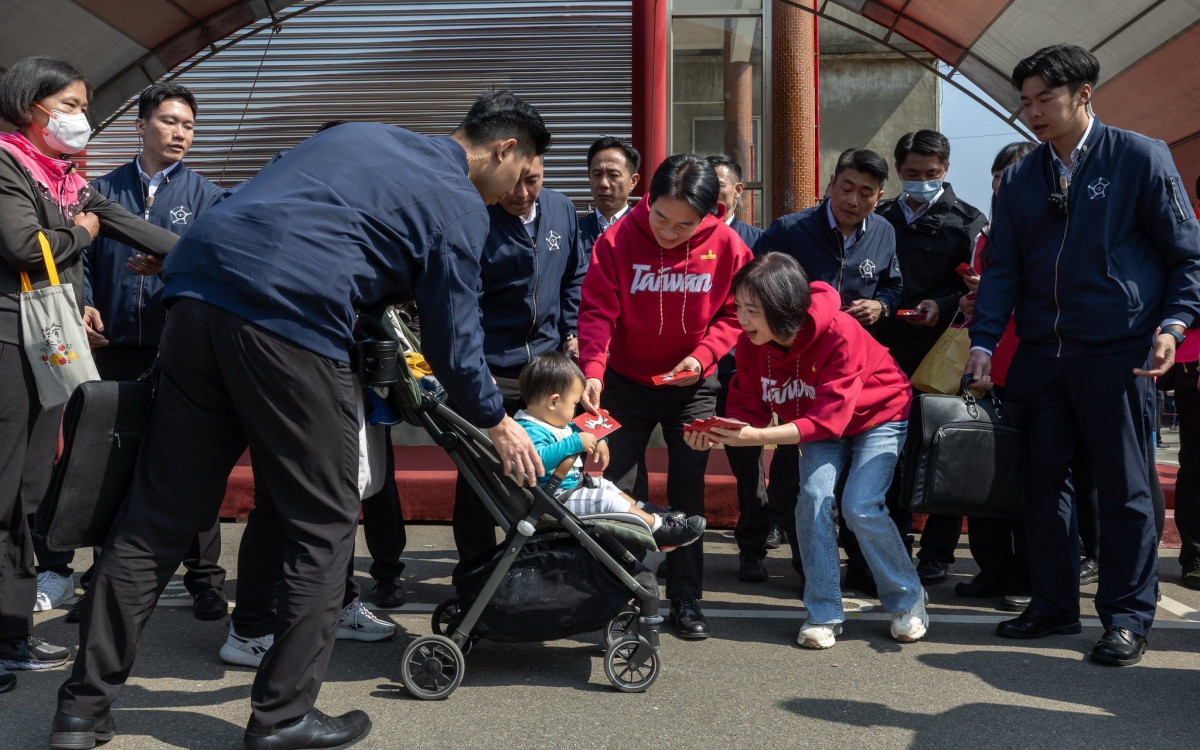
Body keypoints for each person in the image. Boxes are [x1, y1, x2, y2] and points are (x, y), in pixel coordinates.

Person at [51, 91, 550, 749]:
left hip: (197, 299)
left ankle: (81, 710)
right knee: (322, 521)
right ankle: (282, 717)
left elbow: (256, 203)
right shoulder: (459, 203)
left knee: (158, 512)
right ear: (503, 148)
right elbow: (455, 340)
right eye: (521, 175)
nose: (514, 193)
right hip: (292, 324)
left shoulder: (358, 133)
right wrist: (494, 419)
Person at [965, 44, 1200, 667]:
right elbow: (1003, 268)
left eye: (1045, 99)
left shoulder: (1140, 157)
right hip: (1042, 355)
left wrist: (1174, 325)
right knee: (1041, 488)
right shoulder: (1022, 178)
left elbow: (1187, 255)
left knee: (1125, 490)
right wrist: (984, 342)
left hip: (1118, 351)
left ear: (1083, 95)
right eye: (1026, 102)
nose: (1033, 112)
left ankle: (1126, 617)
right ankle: (1053, 605)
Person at [0, 56, 179, 696]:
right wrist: (81, 233)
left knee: (26, 493)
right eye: (71, 106)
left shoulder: (68, 180)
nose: (82, 119)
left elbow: (142, 231)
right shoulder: (8, 167)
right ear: (33, 108)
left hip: (46, 346)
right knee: (4, 490)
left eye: (84, 107)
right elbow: (24, 247)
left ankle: (11, 632)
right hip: (10, 343)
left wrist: (217, 256)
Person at [684, 252, 927, 649]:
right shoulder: (752, 343)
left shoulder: (839, 332)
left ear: (783, 308)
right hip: (817, 422)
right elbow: (748, 404)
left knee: (861, 505)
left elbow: (829, 419)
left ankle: (908, 600)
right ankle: (824, 612)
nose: (742, 320)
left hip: (879, 415)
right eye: (739, 307)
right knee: (812, 499)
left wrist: (754, 436)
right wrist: (718, 432)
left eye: (752, 310)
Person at [54, 83, 228, 625]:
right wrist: (83, 304)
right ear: (141, 125)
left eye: (189, 126)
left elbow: (217, 265)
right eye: (170, 121)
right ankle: (101, 580)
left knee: (193, 460)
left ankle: (204, 580)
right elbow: (76, 260)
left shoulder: (208, 196)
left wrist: (169, 267)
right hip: (111, 348)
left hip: (181, 348)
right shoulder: (98, 190)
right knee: (107, 463)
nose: (180, 133)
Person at [578, 153, 753, 640]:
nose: (669, 233)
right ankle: (619, 592)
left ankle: (687, 597)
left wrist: (702, 357)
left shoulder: (728, 244)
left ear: (708, 214)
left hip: (691, 387)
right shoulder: (617, 239)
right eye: (661, 218)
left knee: (688, 490)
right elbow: (596, 311)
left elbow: (736, 312)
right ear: (648, 199)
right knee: (613, 485)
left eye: (685, 225)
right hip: (624, 383)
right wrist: (592, 370)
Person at [756, 148, 901, 589]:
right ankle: (811, 570)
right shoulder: (790, 230)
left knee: (859, 484)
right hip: (800, 372)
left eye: (866, 193)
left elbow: (893, 285)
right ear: (831, 184)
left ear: (879, 197)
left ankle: (863, 567)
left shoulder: (884, 232)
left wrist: (881, 306)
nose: (853, 200)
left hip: (859, 374)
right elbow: (754, 284)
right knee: (803, 481)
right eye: (846, 187)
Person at [451, 153, 588, 567]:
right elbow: (463, 302)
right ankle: (476, 575)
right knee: (479, 477)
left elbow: (574, 277)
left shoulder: (562, 209)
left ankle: (539, 568)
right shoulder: (475, 215)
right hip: (491, 368)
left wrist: (572, 332)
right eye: (513, 182)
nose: (522, 193)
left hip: (546, 370)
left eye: (534, 181)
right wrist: (475, 367)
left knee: (551, 470)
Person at [865, 129, 986, 589]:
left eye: (931, 173)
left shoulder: (967, 221)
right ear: (898, 171)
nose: (921, 180)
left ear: (946, 169)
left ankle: (938, 552)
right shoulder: (881, 217)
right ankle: (894, 542)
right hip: (886, 351)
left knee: (942, 450)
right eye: (912, 173)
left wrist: (944, 304)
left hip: (942, 354)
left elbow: (978, 286)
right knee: (889, 452)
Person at [953, 140, 1036, 612]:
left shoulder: (1049, 229)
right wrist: (973, 301)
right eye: (999, 175)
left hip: (1029, 365)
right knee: (983, 472)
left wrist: (1003, 294)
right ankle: (992, 569)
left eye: (1014, 174)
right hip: (985, 365)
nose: (1003, 184)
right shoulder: (987, 235)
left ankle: (1027, 574)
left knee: (1028, 478)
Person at [514, 351, 706, 549]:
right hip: (554, 498)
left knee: (606, 485)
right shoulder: (529, 429)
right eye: (574, 404)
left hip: (570, 489)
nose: (575, 409)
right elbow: (536, 460)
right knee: (605, 499)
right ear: (553, 402)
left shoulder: (551, 420)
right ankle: (658, 528)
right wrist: (575, 443)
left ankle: (647, 512)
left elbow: (580, 428)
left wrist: (600, 440)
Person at [703, 153, 778, 582]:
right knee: (690, 460)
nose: (711, 194)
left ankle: (753, 546)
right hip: (696, 365)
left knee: (747, 460)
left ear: (738, 192)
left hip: (740, 366)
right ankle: (678, 547)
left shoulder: (758, 241)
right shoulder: (685, 237)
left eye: (718, 186)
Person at [578, 136, 640, 256]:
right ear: (589, 177)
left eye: (613, 175)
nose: (603, 184)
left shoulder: (644, 232)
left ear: (633, 181)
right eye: (597, 174)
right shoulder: (574, 232)